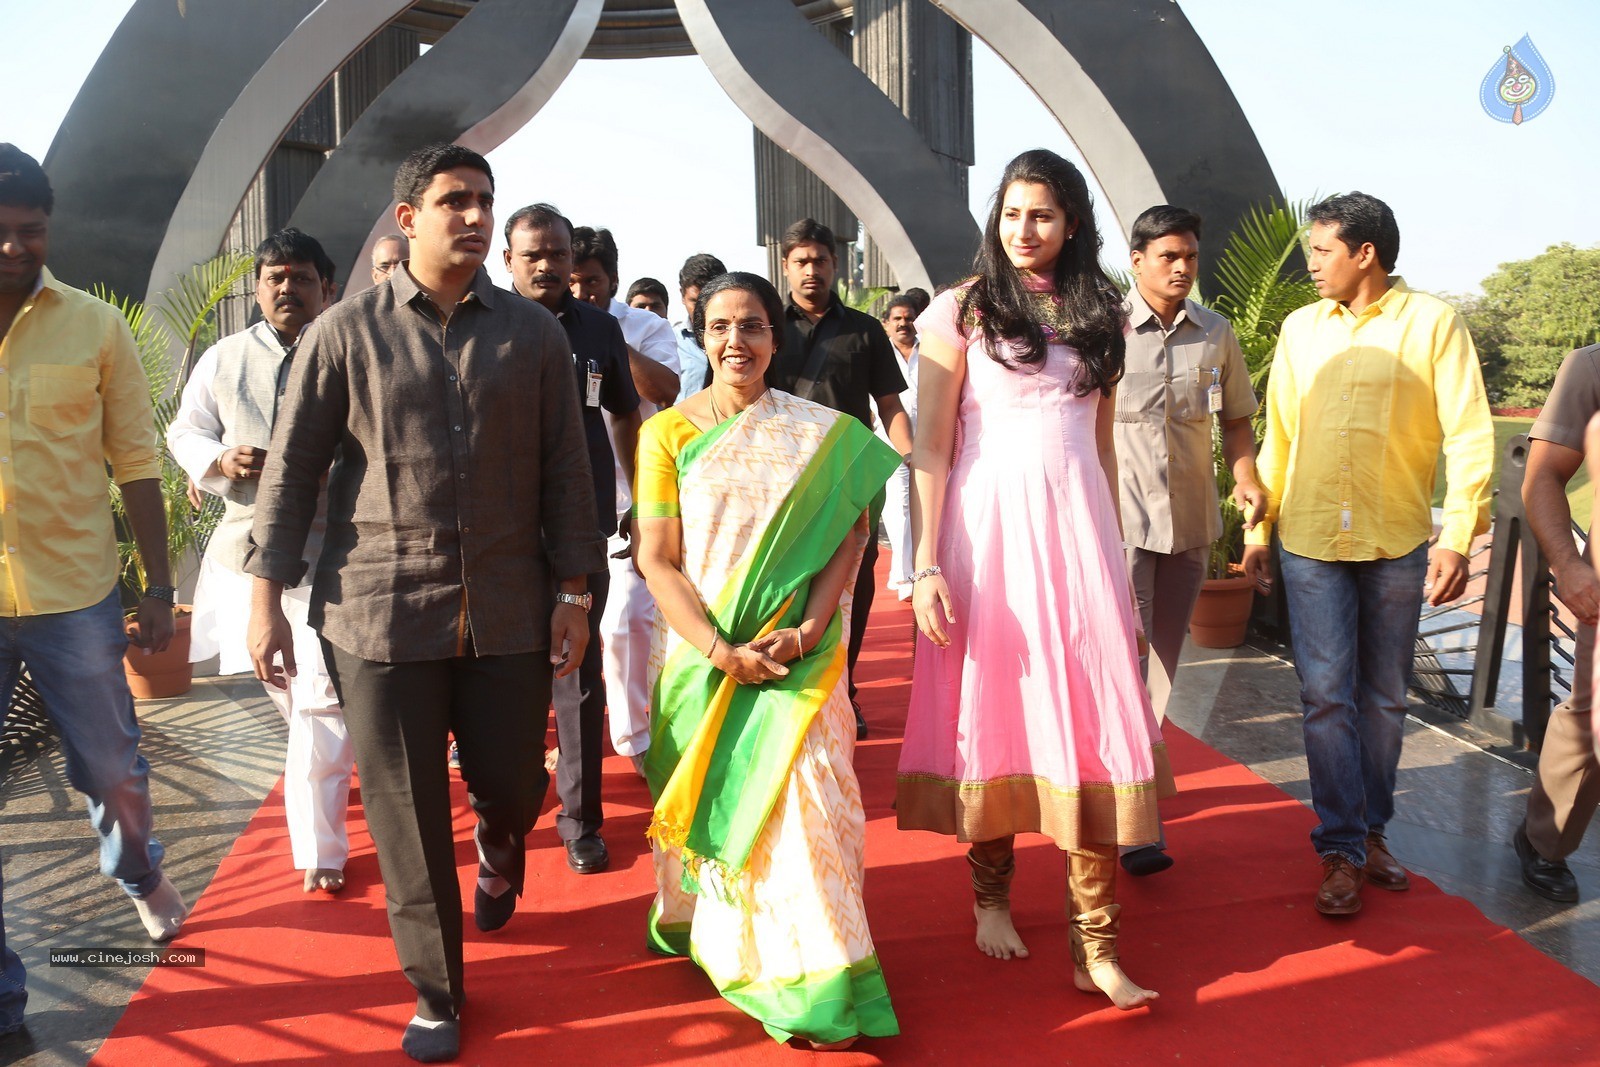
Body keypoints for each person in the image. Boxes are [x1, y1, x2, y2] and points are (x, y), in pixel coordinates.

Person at [247, 143, 604, 1063]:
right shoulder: (345, 334)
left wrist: (575, 591)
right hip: (377, 613)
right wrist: (263, 601)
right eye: (456, 201)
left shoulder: (534, 334)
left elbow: (568, 470)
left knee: (515, 785)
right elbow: (289, 477)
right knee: (404, 815)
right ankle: (437, 990)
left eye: (486, 200)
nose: (477, 216)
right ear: (407, 220)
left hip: (510, 609)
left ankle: (499, 843)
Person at [897, 149, 1170, 1011]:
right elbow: (931, 446)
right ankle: (990, 898)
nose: (1025, 229)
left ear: (1074, 222)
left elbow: (1100, 444)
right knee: (998, 714)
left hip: (1080, 533)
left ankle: (1099, 946)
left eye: (1043, 215)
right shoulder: (960, 312)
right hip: (988, 537)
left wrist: (1117, 564)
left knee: (1092, 724)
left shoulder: (1107, 314)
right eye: (1013, 213)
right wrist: (928, 560)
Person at [634, 271, 901, 1049]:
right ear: (701, 334)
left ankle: (820, 980)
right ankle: (734, 948)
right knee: (735, 820)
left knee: (815, 810)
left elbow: (851, 537)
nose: (735, 341)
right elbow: (658, 557)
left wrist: (811, 630)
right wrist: (722, 651)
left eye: (752, 325)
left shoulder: (821, 432)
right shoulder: (669, 434)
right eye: (719, 326)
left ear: (775, 337)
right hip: (704, 659)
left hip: (801, 662)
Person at [1242, 192, 1493, 918]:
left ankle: (1372, 831)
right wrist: (1258, 531)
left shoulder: (1435, 323)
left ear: (1365, 254)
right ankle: (1342, 846)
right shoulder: (1298, 328)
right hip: (1312, 538)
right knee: (1325, 696)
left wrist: (1457, 536)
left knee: (1383, 697)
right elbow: (1279, 434)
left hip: (1397, 537)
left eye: (1321, 250)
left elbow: (1471, 435)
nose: (1309, 263)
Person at [0, 144, 188, 1037]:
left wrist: (158, 585)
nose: (13, 250)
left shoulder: (93, 328)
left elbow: (136, 464)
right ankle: (4, 993)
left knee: (110, 766)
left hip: (73, 591)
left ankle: (138, 869)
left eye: (30, 233)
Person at [167, 227, 353, 894]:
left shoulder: (352, 348)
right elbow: (185, 428)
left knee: (318, 702)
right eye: (274, 277)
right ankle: (329, 777)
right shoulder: (223, 357)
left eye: (301, 277)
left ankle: (322, 849)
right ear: (256, 288)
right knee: (291, 690)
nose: (286, 288)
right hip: (245, 551)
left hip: (335, 549)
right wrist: (217, 460)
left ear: (326, 288)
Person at [1113, 204, 1265, 876]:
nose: (1181, 269)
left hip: (1189, 525)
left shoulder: (1216, 335)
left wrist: (1247, 478)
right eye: (1168, 256)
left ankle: (1131, 808)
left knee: (1162, 672)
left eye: (1190, 257)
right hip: (1117, 523)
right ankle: (1130, 820)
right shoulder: (1103, 330)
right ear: (1138, 258)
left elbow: (1236, 421)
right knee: (1125, 663)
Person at [503, 202, 642, 874]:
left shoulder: (599, 328)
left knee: (580, 677)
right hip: (501, 534)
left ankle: (581, 821)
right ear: (509, 261)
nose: (548, 266)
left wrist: (641, 499)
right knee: (507, 676)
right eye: (533, 254)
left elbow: (625, 415)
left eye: (558, 254)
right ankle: (511, 808)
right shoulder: (482, 327)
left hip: (581, 531)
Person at [767, 219, 912, 740]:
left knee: (855, 589)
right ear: (785, 266)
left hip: (851, 483)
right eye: (801, 261)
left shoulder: (865, 331)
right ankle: (786, 692)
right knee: (785, 591)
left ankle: (843, 693)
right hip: (778, 483)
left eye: (820, 261)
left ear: (836, 265)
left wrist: (914, 462)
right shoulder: (767, 327)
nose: (811, 271)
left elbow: (890, 405)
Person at [1511, 342, 1600, 903]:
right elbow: (1542, 476)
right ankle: (1545, 842)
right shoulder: (1591, 367)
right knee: (1590, 721)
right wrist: (1568, 565)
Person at [568, 225, 680, 408]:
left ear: (613, 280)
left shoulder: (648, 325)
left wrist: (606, 333)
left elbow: (665, 395)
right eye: (570, 282)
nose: (579, 293)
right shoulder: (549, 325)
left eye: (592, 281)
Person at [876, 294, 920, 601]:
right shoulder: (879, 353)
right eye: (897, 319)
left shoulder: (931, 351)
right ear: (886, 324)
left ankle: (913, 569)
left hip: (930, 441)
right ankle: (906, 577)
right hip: (889, 440)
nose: (903, 323)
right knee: (899, 506)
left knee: (926, 505)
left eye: (908, 317)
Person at [673, 252, 725, 400]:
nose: (702, 310)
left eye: (709, 300)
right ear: (682, 296)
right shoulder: (670, 342)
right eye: (695, 301)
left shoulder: (742, 342)